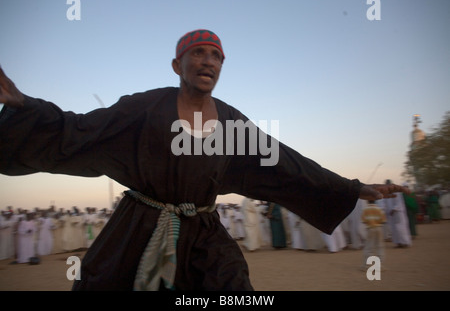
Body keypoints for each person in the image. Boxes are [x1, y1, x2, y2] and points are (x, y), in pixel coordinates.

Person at [0, 29, 409, 290]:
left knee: (232, 289)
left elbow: (289, 164)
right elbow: (80, 129)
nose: (208, 61)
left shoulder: (232, 122)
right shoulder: (143, 107)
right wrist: (23, 105)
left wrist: (354, 188)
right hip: (139, 228)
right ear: (178, 64)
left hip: (204, 231)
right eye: (198, 53)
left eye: (215, 56)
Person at [361, 199, 386, 269]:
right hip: (379, 228)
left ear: (367, 201)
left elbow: (363, 220)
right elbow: (383, 220)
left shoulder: (365, 210)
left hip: (370, 229)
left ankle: (367, 266)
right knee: (379, 246)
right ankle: (380, 266)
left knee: (369, 247)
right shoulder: (379, 209)